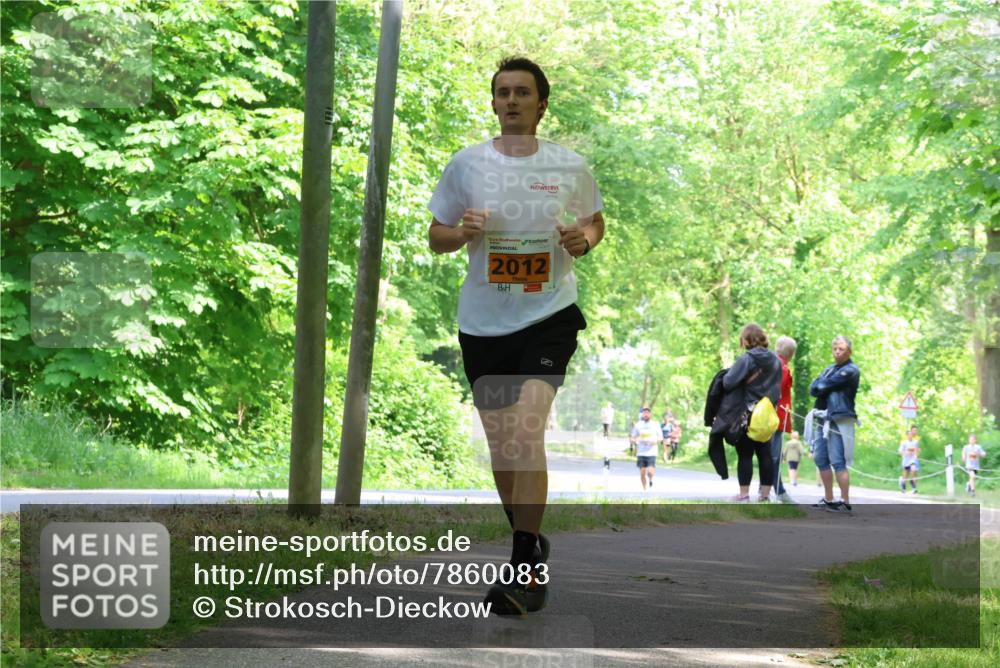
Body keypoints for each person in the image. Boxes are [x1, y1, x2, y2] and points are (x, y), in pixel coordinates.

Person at [427, 56, 605, 616]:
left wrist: (584, 238)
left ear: (540, 103)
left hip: (548, 315)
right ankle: (531, 537)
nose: (510, 101)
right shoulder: (467, 164)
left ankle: (524, 565)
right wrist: (461, 232)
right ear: (494, 102)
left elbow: (595, 220)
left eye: (521, 93)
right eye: (502, 92)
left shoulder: (569, 165)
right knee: (505, 450)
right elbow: (436, 235)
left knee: (527, 433)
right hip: (483, 322)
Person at [723, 323, 782, 502]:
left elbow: (728, 382)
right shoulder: (775, 360)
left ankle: (744, 494)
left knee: (746, 454)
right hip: (768, 413)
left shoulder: (746, 359)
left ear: (747, 339)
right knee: (765, 455)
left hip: (748, 412)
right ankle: (764, 496)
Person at [810, 335, 861, 514]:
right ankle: (829, 499)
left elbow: (824, 386)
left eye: (842, 349)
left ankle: (845, 502)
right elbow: (813, 388)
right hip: (822, 418)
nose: (838, 352)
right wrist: (821, 385)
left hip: (839, 419)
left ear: (849, 352)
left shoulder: (851, 370)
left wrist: (822, 385)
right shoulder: (829, 369)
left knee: (838, 461)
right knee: (820, 458)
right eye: (835, 349)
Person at [770, 336, 797, 503]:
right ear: (791, 354)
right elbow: (777, 392)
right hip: (776, 418)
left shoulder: (770, 364)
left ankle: (767, 490)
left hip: (768, 417)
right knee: (774, 455)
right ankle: (778, 491)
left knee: (770, 454)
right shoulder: (783, 369)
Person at [630, 407, 659, 490]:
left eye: (647, 413)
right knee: (642, 473)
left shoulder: (655, 424)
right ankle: (645, 490)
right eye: (644, 413)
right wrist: (635, 441)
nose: (645, 414)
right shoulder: (638, 425)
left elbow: (660, 437)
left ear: (650, 415)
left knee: (650, 472)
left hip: (651, 452)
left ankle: (651, 479)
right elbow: (632, 437)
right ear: (642, 415)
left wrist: (655, 441)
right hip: (641, 452)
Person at [898, 425, 920, 494]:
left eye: (911, 434)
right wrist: (906, 453)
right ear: (907, 435)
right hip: (906, 460)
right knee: (906, 474)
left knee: (913, 470)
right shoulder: (904, 443)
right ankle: (902, 484)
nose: (910, 435)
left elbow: (917, 450)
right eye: (909, 434)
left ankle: (913, 486)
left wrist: (917, 453)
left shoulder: (915, 442)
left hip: (913, 460)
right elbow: (900, 452)